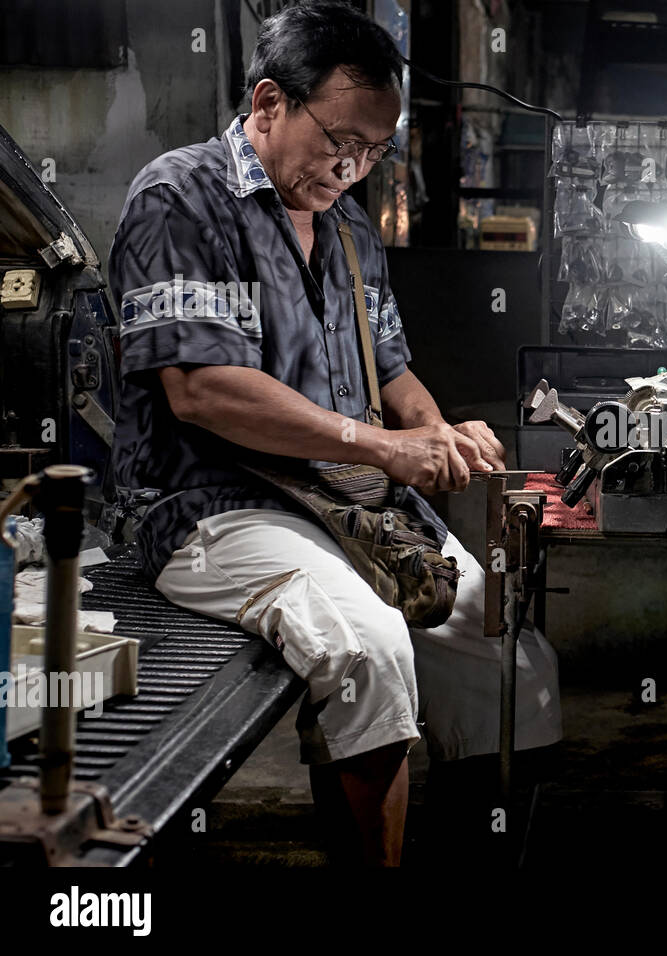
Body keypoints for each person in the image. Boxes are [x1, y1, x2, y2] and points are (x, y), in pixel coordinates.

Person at [108, 0, 561, 866]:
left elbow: (391, 372)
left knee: (509, 652)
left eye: (375, 151)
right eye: (340, 139)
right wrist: (386, 450)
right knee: (368, 646)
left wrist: (440, 434)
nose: (354, 167)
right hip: (215, 505)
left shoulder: (351, 224)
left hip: (341, 505)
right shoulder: (180, 198)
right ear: (270, 104)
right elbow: (201, 390)